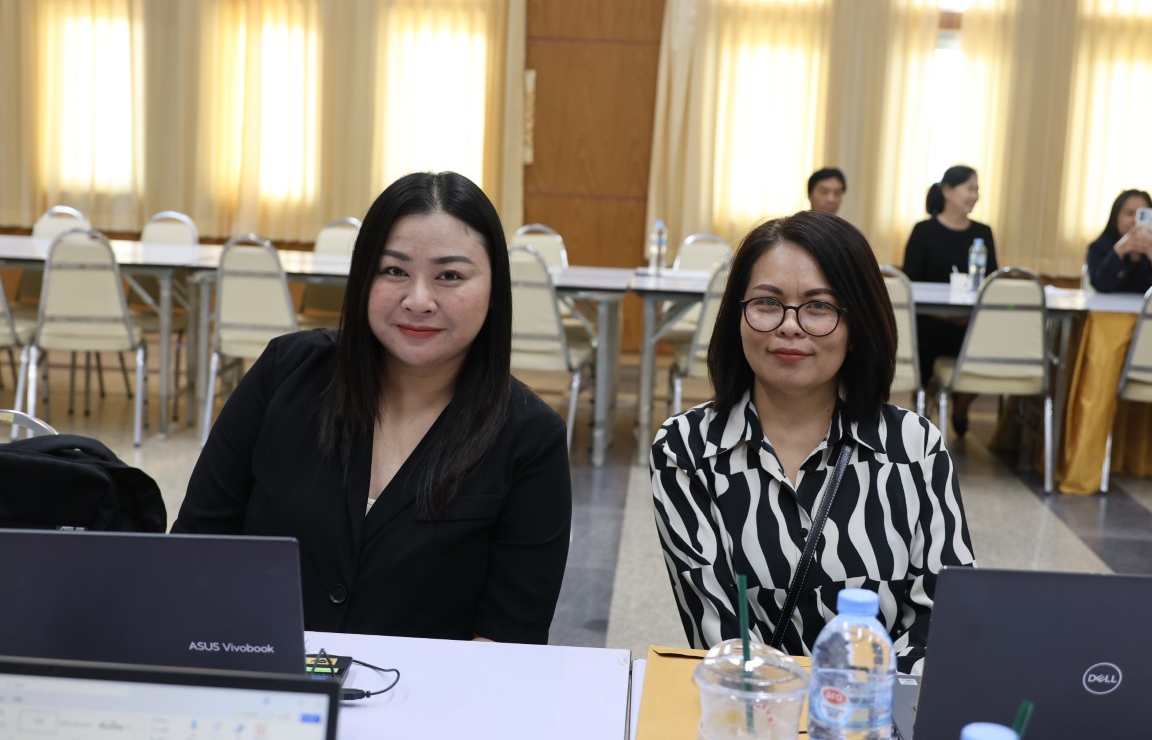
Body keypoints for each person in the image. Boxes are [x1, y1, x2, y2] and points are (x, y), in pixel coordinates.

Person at [173, 171, 572, 645]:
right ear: (364, 276)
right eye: (394, 271)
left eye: (449, 276)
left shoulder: (531, 438)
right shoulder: (285, 374)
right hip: (261, 674)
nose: (418, 301)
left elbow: (508, 638)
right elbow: (196, 547)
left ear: (494, 288)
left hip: (429, 691)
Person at [651, 211, 975, 675]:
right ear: (737, 316)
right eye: (767, 302)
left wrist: (858, 701)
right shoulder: (686, 449)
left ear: (857, 325)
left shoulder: (915, 446)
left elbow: (945, 616)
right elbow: (719, 629)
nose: (790, 326)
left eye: (818, 306)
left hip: (881, 708)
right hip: (754, 706)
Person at [902, 165, 998, 436]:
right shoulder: (923, 230)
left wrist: (966, 317)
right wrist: (943, 315)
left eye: (977, 189)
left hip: (970, 324)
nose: (974, 195)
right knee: (920, 341)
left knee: (991, 343)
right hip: (930, 324)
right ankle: (921, 408)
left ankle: (962, 403)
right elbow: (910, 281)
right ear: (947, 190)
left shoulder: (983, 233)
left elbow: (992, 283)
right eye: (969, 188)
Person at [1085, 189, 1152, 293]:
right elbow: (1100, 285)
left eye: (1142, 215)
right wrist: (1119, 251)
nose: (1135, 220)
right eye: (1129, 213)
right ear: (1116, 217)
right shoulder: (1098, 247)